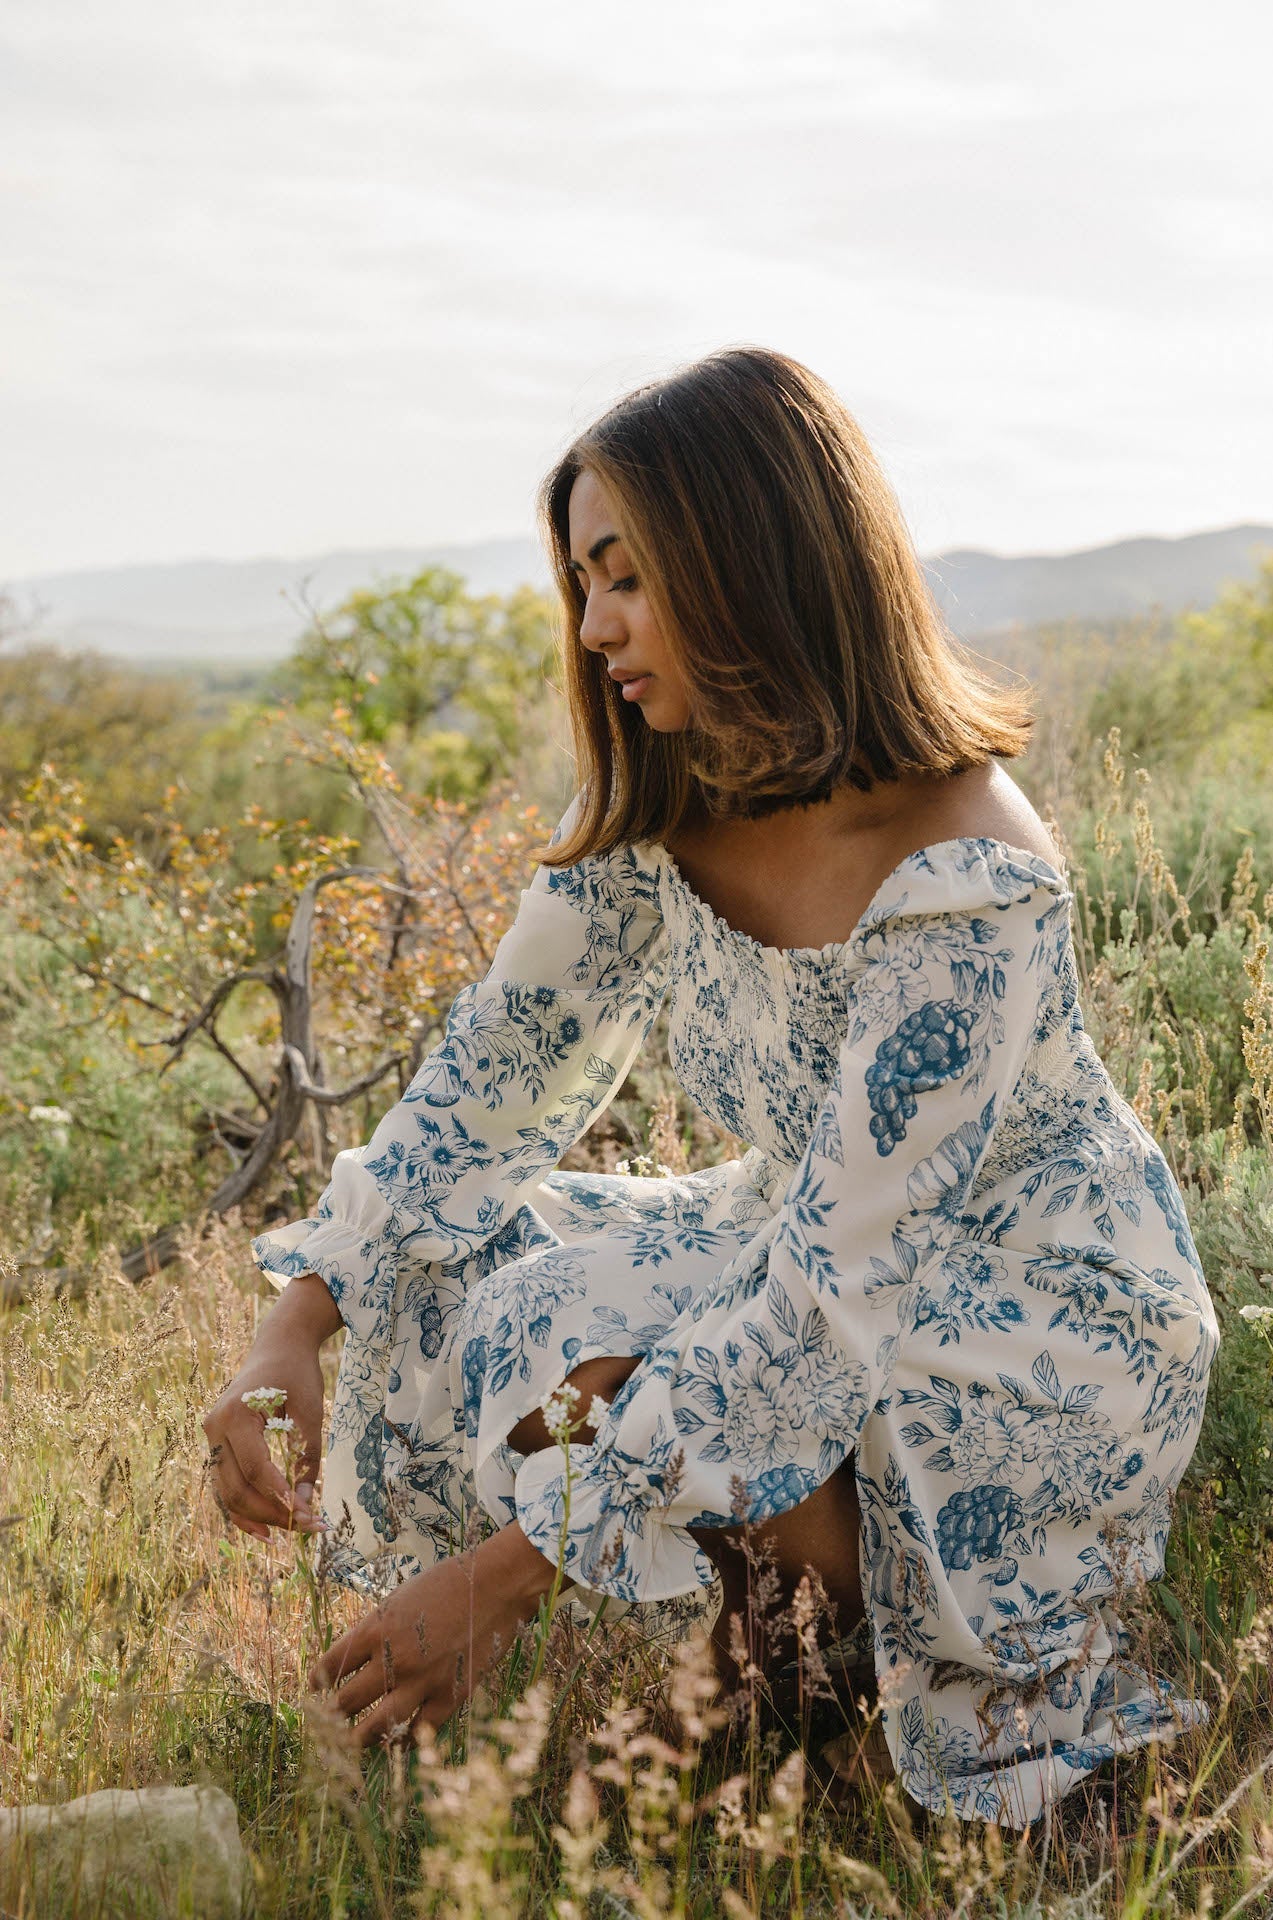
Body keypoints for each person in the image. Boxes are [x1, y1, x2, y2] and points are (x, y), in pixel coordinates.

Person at [202, 346, 1218, 1826]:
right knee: (493, 1270)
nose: (597, 627)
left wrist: (510, 1577)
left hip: (1033, 1316)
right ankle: (732, 1651)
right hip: (805, 1238)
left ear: (749, 562)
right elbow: (495, 1071)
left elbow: (836, 1304)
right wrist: (293, 1322)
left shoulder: (967, 872)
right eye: (580, 583)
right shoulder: (666, 796)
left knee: (631, 1356)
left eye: (628, 577)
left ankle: (820, 1661)